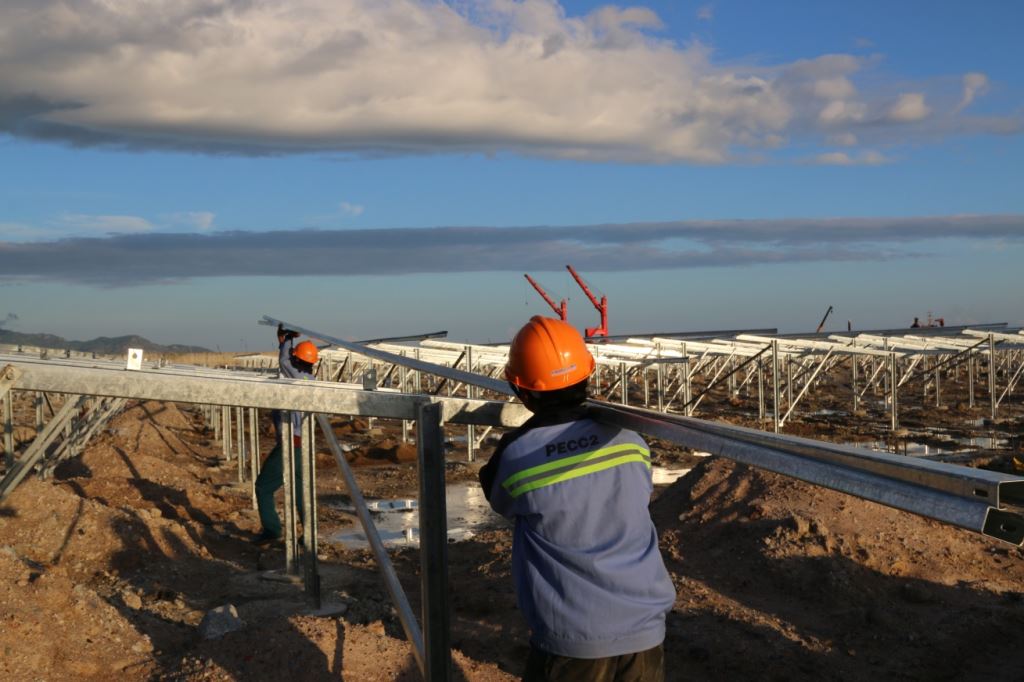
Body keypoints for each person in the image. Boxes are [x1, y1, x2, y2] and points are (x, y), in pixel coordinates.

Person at [479, 316, 676, 682]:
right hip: (645, 628)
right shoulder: (630, 440)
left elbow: (499, 498)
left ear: (520, 389)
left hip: (572, 636)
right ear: (589, 372)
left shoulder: (519, 456)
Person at [253, 325, 319, 545]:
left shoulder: (297, 377)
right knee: (299, 491)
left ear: (297, 359)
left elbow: (283, 361)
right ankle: (309, 534)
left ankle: (272, 530)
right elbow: (286, 363)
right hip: (302, 444)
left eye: (294, 356)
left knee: (263, 487)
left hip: (291, 443)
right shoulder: (309, 379)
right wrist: (286, 341)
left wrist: (286, 341)